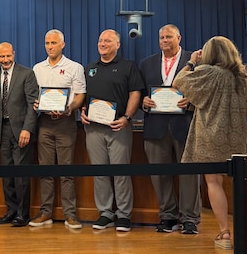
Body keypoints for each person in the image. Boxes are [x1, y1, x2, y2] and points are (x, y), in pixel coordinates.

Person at [173, 36, 247, 250]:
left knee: (213, 181)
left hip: (210, 132)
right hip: (235, 134)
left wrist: (191, 61)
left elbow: (178, 81)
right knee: (242, 179)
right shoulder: (242, 77)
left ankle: (225, 233)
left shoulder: (207, 72)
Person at [138, 24, 200, 235]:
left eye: (169, 37)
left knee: (189, 174)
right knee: (160, 174)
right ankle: (167, 216)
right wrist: (144, 102)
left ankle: (190, 218)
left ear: (179, 38)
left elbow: (205, 90)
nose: (165, 40)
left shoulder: (195, 60)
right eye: (162, 37)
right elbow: (140, 94)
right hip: (156, 127)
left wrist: (191, 100)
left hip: (185, 125)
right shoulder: (147, 64)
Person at [81, 29, 141, 232]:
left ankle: (123, 215)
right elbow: (84, 96)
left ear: (118, 45)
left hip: (118, 127)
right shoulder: (90, 68)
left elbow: (135, 94)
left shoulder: (128, 66)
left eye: (108, 40)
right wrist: (82, 112)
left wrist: (127, 117)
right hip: (93, 129)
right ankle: (105, 213)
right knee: (99, 172)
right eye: (100, 40)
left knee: (121, 172)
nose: (103, 43)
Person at [29, 29, 86, 229]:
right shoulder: (37, 68)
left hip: (66, 123)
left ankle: (70, 214)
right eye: (47, 43)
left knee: (66, 169)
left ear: (63, 45)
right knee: (45, 169)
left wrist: (69, 108)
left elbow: (80, 95)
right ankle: (46, 212)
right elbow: (34, 95)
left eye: (54, 43)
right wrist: (36, 103)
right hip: (44, 123)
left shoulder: (74, 67)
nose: (50, 46)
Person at [0, 42, 39, 227]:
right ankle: (11, 211)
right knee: (7, 173)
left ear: (14, 54)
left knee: (20, 174)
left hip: (21, 131)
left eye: (8, 56)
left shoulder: (27, 74)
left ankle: (22, 214)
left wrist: (27, 129)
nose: (5, 59)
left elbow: (33, 105)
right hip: (3, 131)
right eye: (2, 56)